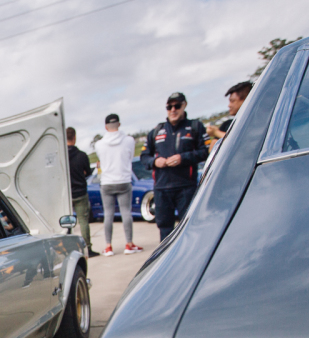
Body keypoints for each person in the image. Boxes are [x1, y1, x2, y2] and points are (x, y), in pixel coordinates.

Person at [140, 92, 209, 241]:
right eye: (169, 107)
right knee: (165, 230)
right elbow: (144, 157)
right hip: (162, 188)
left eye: (177, 106)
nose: (173, 110)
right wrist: (154, 162)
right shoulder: (156, 131)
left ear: (184, 106)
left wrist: (182, 158)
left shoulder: (194, 127)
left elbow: (205, 152)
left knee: (190, 227)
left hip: (186, 187)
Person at [92, 113, 142, 256]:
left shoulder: (99, 144)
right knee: (126, 212)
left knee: (108, 214)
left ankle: (108, 246)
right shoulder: (129, 140)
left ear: (106, 127)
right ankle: (129, 244)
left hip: (107, 181)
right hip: (124, 180)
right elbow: (130, 157)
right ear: (119, 125)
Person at [66, 127, 96, 256]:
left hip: (66, 194)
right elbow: (88, 173)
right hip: (80, 192)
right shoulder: (82, 155)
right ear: (75, 137)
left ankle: (67, 250)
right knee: (83, 221)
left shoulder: (61, 155)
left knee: (66, 223)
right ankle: (87, 248)